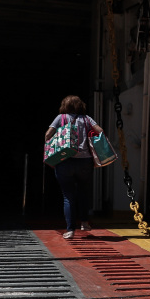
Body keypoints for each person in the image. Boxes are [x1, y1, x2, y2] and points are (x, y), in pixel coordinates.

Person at [46, 95, 101, 240]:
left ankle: (70, 230)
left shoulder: (60, 118)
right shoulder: (87, 119)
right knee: (83, 192)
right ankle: (84, 223)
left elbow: (47, 135)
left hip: (65, 161)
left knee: (68, 196)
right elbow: (100, 131)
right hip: (85, 162)